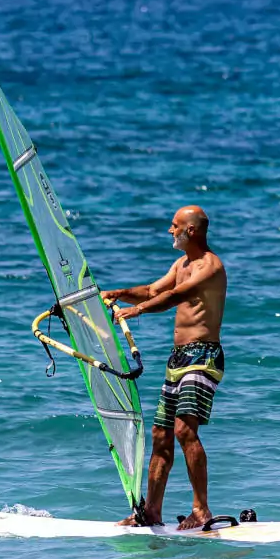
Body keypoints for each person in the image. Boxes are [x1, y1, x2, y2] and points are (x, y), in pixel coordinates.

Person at [102, 204, 228, 529]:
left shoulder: (210, 267)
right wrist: (118, 294)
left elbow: (175, 296)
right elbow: (152, 290)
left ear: (191, 231)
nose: (169, 231)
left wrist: (137, 311)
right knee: (160, 435)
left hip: (203, 356)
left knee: (185, 430)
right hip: (178, 359)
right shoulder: (181, 263)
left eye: (174, 226)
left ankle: (201, 509)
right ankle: (151, 512)